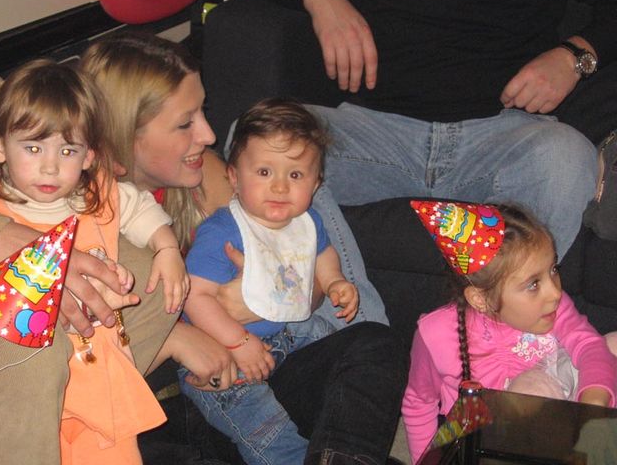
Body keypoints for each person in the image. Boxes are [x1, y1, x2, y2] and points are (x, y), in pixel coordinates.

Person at [80, 31, 406, 465]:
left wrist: (268, 295)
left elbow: (307, 274)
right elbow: (78, 377)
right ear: (124, 134)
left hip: (264, 365)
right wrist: (178, 338)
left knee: (375, 345)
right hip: (167, 413)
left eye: (203, 111)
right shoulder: (80, 224)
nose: (208, 134)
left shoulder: (210, 176)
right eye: (185, 123)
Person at [236, 0, 615, 261]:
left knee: (565, 159)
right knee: (254, 143)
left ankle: (505, 333)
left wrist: (574, 56)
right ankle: (351, 328)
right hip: (371, 133)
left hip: (504, 134)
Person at [0, 59, 193, 464]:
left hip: (104, 378)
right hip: (45, 387)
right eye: (33, 148)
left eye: (67, 150)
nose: (50, 166)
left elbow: (139, 208)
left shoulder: (95, 197)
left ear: (89, 155)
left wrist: (167, 248)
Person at [181, 97, 359, 464]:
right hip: (220, 350)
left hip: (290, 331)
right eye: (264, 172)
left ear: (316, 183)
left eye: (295, 176)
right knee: (262, 422)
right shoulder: (223, 231)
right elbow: (195, 297)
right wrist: (238, 340)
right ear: (234, 177)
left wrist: (335, 281)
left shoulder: (307, 223)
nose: (280, 187)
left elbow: (322, 253)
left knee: (343, 348)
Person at [401, 200, 617, 463]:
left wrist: (593, 406)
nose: (555, 292)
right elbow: (418, 403)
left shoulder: (552, 306)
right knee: (531, 392)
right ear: (480, 299)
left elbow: (590, 347)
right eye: (533, 284)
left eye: (553, 270)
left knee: (612, 346)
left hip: (560, 412)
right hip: (484, 438)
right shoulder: (435, 334)